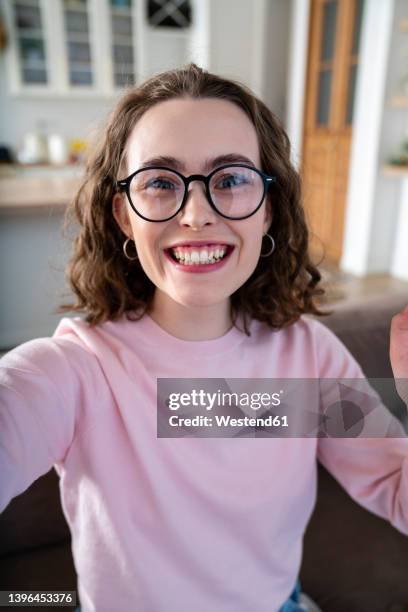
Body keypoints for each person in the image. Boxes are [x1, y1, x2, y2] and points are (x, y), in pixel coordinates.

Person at [1, 63, 407, 612]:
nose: (196, 215)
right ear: (124, 214)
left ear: (266, 209)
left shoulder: (309, 356)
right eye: (161, 183)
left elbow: (397, 489)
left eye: (233, 179)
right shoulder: (76, 369)